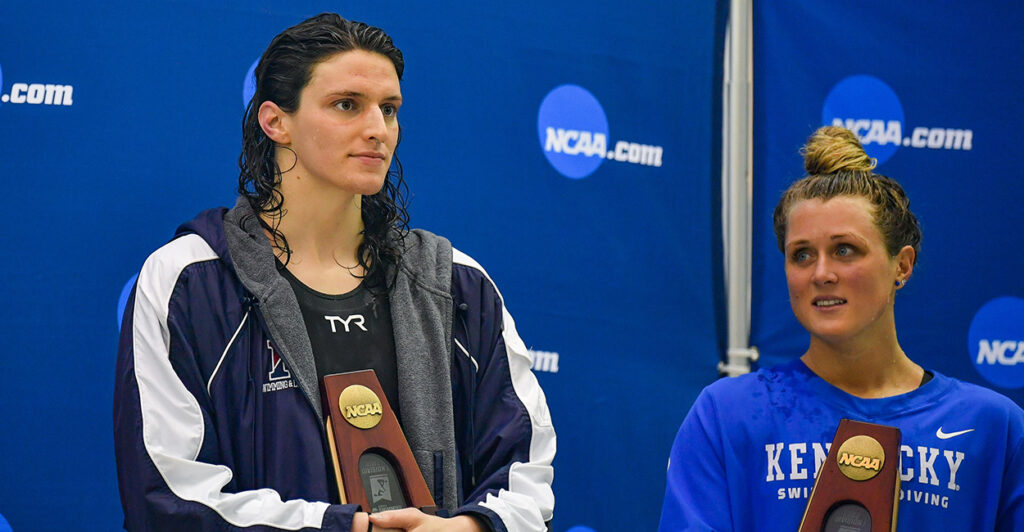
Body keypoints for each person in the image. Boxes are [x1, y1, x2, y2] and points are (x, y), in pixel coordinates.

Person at [113, 13, 555, 532]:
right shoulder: (189, 281)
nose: (378, 130)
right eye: (347, 105)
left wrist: (471, 527)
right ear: (275, 121)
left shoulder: (457, 284)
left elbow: (525, 477)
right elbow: (168, 496)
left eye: (389, 110)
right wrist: (344, 528)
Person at [658, 126, 1024, 531]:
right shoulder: (727, 415)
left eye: (844, 250)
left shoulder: (993, 428)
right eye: (801, 255)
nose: (821, 273)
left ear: (902, 265)